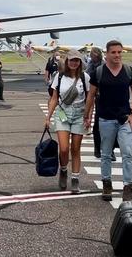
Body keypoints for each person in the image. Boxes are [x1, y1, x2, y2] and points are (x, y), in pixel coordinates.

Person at [84, 40, 132, 202]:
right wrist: (87, 116)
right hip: (105, 119)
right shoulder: (99, 72)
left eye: (119, 52)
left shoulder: (129, 71)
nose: (117, 55)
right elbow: (91, 95)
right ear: (106, 54)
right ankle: (106, 183)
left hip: (124, 119)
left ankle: (128, 186)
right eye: (113, 52)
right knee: (106, 153)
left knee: (127, 153)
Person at [44, 49, 89, 193]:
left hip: (79, 114)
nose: (74, 63)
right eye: (72, 60)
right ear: (67, 61)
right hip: (63, 112)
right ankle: (63, 170)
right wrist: (48, 117)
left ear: (80, 62)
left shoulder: (85, 77)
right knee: (64, 148)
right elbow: (54, 98)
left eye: (77, 60)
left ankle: (75, 179)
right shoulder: (59, 76)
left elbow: (90, 99)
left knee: (75, 149)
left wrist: (89, 116)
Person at [84, 47, 106, 159]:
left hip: (104, 95)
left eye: (93, 55)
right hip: (95, 93)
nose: (92, 57)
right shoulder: (91, 64)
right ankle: (97, 148)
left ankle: (109, 149)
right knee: (97, 122)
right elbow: (87, 75)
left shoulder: (103, 64)